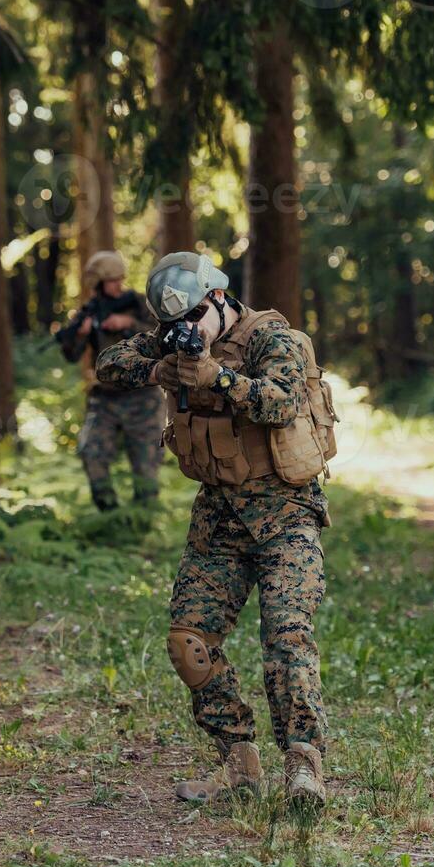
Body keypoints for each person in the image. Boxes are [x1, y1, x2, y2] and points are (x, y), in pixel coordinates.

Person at [97, 251, 339, 807]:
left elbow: (280, 402)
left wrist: (218, 377)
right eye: (172, 324)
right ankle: (238, 761)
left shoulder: (269, 338)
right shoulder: (171, 338)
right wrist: (161, 364)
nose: (184, 332)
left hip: (286, 513)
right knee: (189, 643)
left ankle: (304, 763)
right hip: (220, 517)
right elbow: (109, 366)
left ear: (220, 299)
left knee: (286, 637)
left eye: (193, 319)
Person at [58, 250, 163, 511]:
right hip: (105, 399)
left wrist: (127, 323)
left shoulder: (139, 304)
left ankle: (143, 522)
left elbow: (163, 336)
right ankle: (109, 515)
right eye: (112, 280)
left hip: (142, 397)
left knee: (146, 465)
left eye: (120, 279)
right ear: (98, 283)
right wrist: (81, 334)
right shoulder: (89, 311)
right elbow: (71, 354)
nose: (118, 284)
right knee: (91, 451)